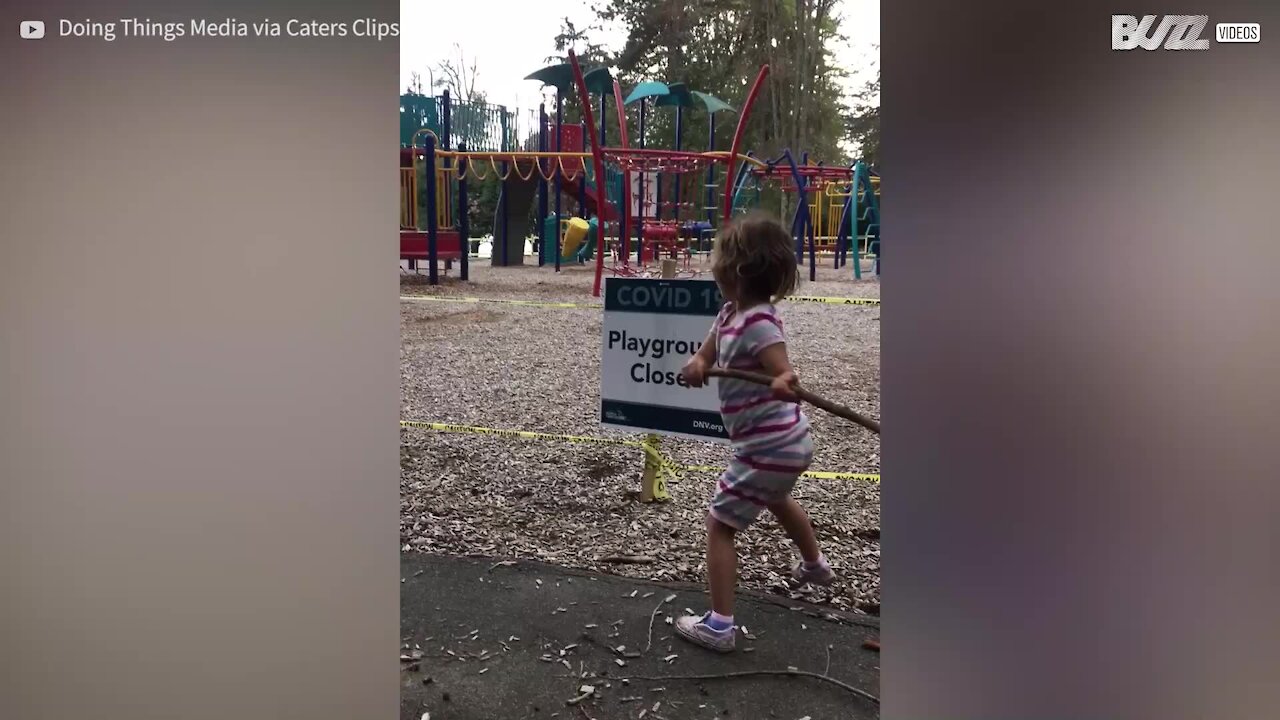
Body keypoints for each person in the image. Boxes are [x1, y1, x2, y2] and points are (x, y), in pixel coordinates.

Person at [677, 211, 834, 653]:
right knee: (776, 497)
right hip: (783, 444)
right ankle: (815, 565)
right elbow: (707, 353)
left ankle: (720, 626)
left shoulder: (760, 320)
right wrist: (698, 365)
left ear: (738, 270)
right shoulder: (730, 313)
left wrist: (785, 381)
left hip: (767, 447)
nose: (713, 269)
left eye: (718, 261)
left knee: (720, 523)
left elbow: (782, 371)